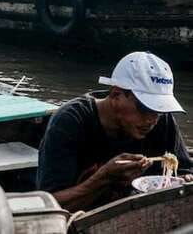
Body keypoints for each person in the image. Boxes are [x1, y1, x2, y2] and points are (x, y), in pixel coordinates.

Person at [37, 52, 192, 212]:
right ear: (116, 95)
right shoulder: (69, 122)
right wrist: (104, 178)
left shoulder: (162, 120)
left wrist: (184, 181)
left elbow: (183, 172)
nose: (152, 120)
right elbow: (49, 207)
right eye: (144, 108)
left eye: (159, 110)